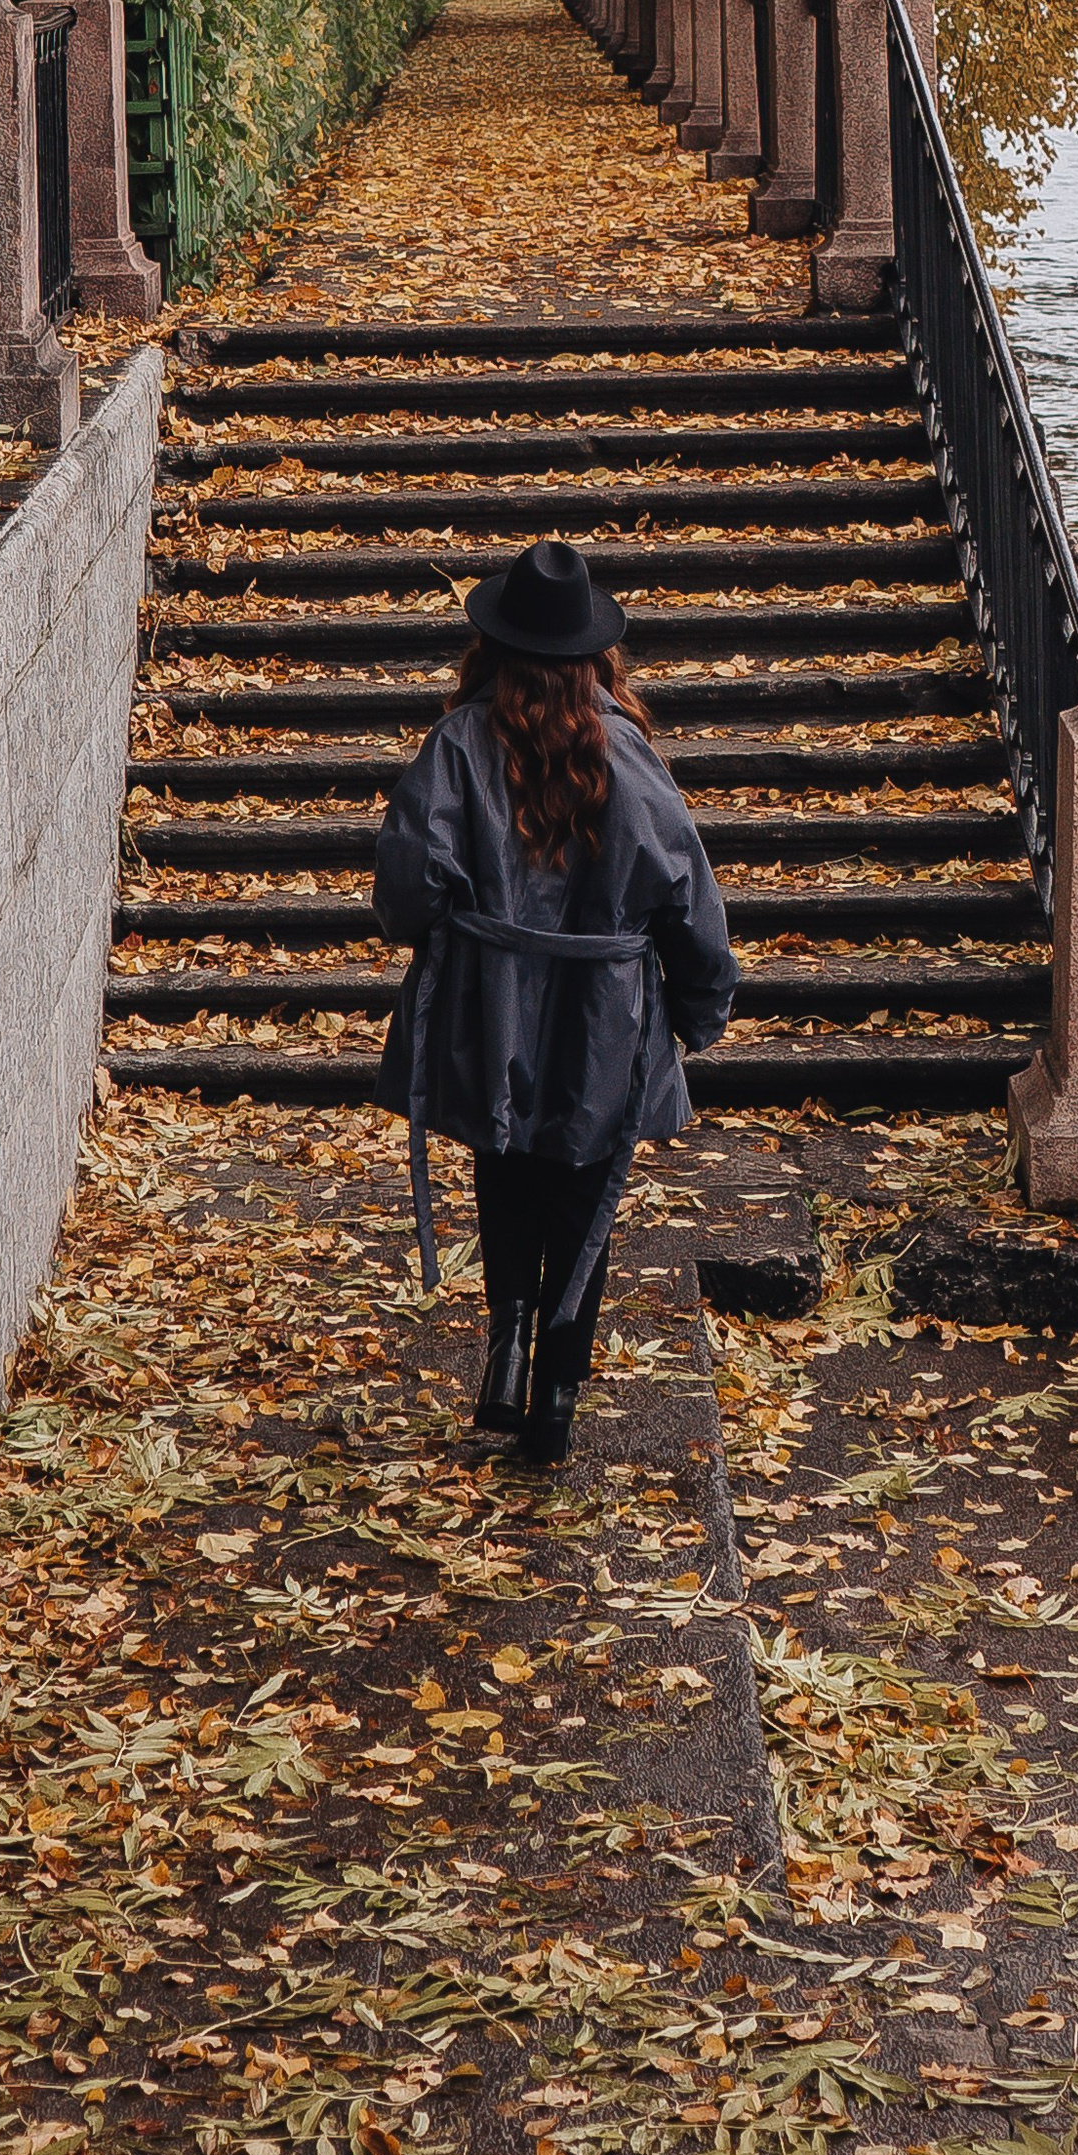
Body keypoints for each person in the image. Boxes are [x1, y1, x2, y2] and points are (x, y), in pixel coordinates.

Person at [372, 539, 737, 1463]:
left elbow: (405, 887)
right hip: (603, 1012)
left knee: (507, 1163)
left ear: (494, 647)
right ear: (592, 656)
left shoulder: (458, 743)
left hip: (490, 1003)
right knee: (583, 1187)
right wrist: (700, 1007)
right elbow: (686, 891)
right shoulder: (630, 755)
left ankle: (506, 1350)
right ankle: (557, 1401)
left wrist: (451, 935)